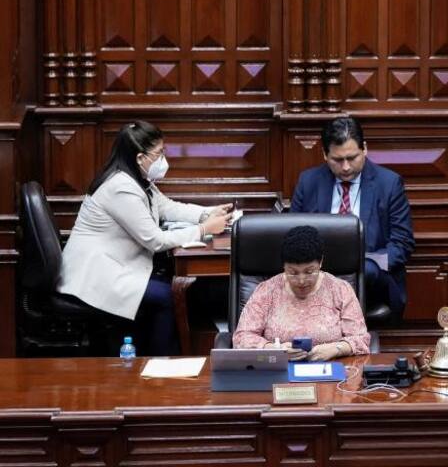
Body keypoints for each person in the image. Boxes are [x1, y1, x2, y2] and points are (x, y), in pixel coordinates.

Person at [57, 121, 232, 355]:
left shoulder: (138, 180)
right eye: (159, 153)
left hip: (118, 267)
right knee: (167, 296)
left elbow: (167, 207)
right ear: (140, 157)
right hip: (96, 276)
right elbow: (155, 240)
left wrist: (206, 213)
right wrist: (203, 229)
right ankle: (159, 366)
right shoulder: (120, 187)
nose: (163, 159)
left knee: (170, 289)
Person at [289, 116, 414, 320]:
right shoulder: (309, 181)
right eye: (338, 160)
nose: (346, 167)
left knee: (367, 272)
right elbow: (293, 236)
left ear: (364, 149)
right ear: (324, 154)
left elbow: (402, 244)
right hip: (318, 276)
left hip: (371, 279)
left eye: (352, 158)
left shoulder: (389, 183)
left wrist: (366, 265)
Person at [232, 225, 371, 359]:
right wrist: (274, 349)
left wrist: (335, 349)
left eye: (309, 272)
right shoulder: (267, 291)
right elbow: (241, 337)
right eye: (293, 272)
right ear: (283, 266)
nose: (301, 281)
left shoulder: (340, 289)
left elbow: (361, 339)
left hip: (329, 370)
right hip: (279, 370)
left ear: (321, 262)